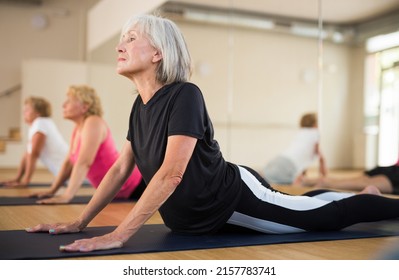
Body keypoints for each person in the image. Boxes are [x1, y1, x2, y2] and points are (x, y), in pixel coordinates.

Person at [27, 14, 399, 253]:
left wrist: (118, 234)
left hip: (232, 198)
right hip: (199, 217)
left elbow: (172, 173)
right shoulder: (139, 107)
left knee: (323, 218)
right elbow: (120, 170)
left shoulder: (185, 94)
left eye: (131, 38)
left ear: (158, 53)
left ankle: (373, 199)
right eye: (121, 38)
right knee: (300, 204)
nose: (119, 46)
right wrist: (81, 221)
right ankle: (340, 195)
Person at [30, 85, 145, 204]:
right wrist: (52, 190)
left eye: (69, 101)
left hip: (135, 186)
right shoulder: (78, 128)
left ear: (85, 106)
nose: (63, 105)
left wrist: (67, 196)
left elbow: (84, 162)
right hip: (116, 191)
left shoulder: (93, 122)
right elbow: (69, 163)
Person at [0, 96, 68, 188]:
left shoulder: (40, 124)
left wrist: (25, 181)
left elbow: (34, 155)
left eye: (27, 110)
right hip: (65, 174)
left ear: (37, 113)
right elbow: (27, 154)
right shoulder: (40, 123)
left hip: (71, 177)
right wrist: (17, 178)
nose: (24, 112)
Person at [263, 112, 326, 185]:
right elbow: (320, 157)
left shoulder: (300, 133)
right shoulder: (315, 133)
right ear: (315, 124)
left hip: (277, 160)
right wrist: (324, 175)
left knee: (267, 176)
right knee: (301, 182)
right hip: (288, 166)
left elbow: (302, 159)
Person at [298, 159, 399, 194]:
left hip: (392, 168)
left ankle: (311, 180)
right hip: (395, 173)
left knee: (355, 180)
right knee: (357, 182)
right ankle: (323, 182)